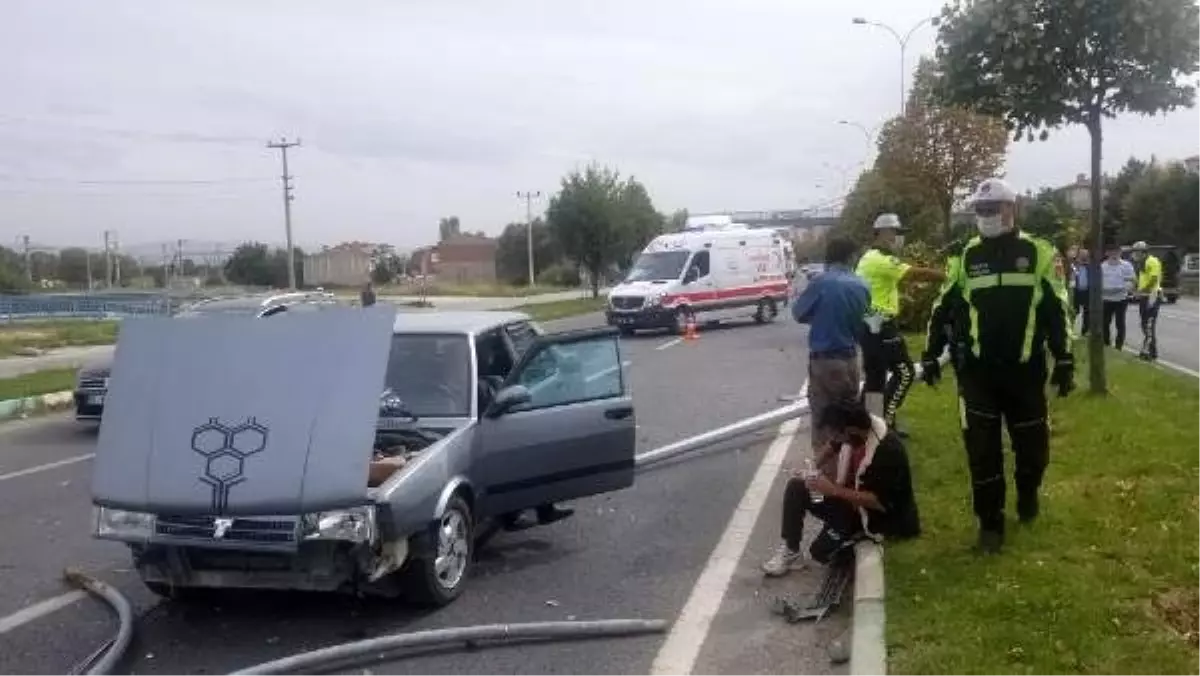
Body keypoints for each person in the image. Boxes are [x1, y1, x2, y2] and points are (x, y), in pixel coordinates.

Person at [920, 177, 1074, 554]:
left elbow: (1058, 308)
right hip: (978, 374)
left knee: (1032, 450)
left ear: (1012, 209)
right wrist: (930, 352)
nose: (986, 216)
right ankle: (990, 524)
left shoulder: (1040, 252)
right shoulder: (964, 256)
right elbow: (942, 308)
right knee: (982, 452)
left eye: (993, 209)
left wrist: (1065, 357)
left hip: (1025, 372)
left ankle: (1027, 493)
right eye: (980, 211)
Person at [762, 398, 920, 576]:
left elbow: (881, 503)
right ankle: (792, 552)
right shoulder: (855, 432)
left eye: (837, 435)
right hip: (849, 504)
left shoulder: (886, 451)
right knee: (797, 487)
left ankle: (849, 538)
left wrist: (833, 490)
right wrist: (813, 466)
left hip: (873, 517)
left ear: (850, 430)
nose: (834, 440)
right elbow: (833, 445)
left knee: (821, 553)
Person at [855, 214, 944, 431]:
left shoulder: (869, 257)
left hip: (870, 326)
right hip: (881, 326)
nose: (899, 238)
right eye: (897, 233)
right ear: (884, 233)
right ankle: (885, 420)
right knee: (905, 372)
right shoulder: (881, 259)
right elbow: (915, 274)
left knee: (875, 378)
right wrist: (947, 275)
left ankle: (870, 424)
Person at [790, 236, 870, 466]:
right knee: (848, 418)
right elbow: (864, 322)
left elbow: (798, 313)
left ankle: (826, 481)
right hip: (851, 359)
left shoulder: (821, 282)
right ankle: (851, 471)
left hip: (825, 362)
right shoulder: (862, 285)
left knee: (823, 420)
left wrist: (820, 317)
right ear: (851, 257)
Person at [1100, 241, 1137, 350]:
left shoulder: (1126, 265)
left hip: (1121, 298)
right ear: (1107, 253)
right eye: (1111, 252)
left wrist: (1125, 288)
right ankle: (1106, 343)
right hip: (1106, 299)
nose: (1114, 254)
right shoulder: (1102, 266)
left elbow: (1132, 280)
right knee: (1105, 323)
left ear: (1120, 253)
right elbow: (1098, 282)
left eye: (1116, 252)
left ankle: (1118, 346)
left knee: (1120, 323)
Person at [1130, 241, 1162, 361]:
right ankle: (1152, 351)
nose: (1134, 254)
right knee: (1144, 324)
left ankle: (1147, 352)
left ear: (1143, 252)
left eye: (1136, 252)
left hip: (1151, 296)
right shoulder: (1142, 263)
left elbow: (1153, 279)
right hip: (1145, 296)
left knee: (1148, 325)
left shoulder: (1152, 261)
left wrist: (1141, 291)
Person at [1072, 248, 1090, 335]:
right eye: (1082, 255)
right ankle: (1070, 329)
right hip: (1076, 291)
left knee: (1087, 313)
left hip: (1087, 292)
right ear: (1078, 256)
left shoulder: (1090, 266)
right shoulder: (1073, 266)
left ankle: (1085, 331)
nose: (1084, 257)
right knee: (1074, 311)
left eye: (1085, 255)